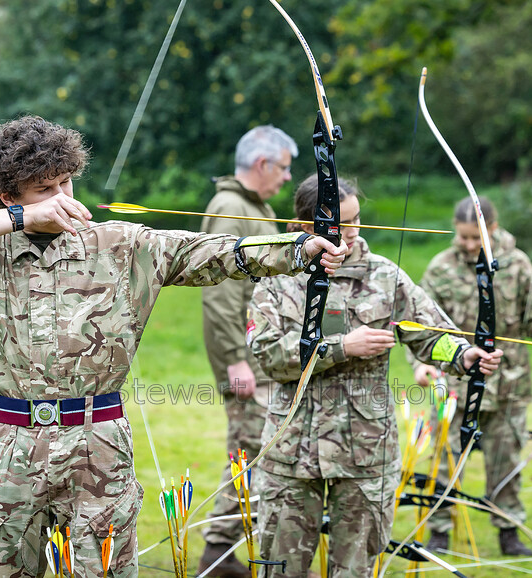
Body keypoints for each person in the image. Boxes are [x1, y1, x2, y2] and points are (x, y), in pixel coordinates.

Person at [0, 115, 346, 577]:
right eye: (44, 189)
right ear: (7, 196)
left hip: (98, 440)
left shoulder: (119, 243)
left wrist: (301, 249)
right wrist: (24, 218)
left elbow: (215, 251)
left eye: (66, 183)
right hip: (12, 445)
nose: (62, 198)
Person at [247, 176, 503, 578]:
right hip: (291, 452)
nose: (349, 234)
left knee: (356, 571)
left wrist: (465, 355)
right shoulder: (279, 278)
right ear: (303, 228)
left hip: (365, 454)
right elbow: (268, 355)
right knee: (280, 569)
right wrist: (342, 346)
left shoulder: (385, 276)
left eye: (356, 221)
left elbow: (429, 336)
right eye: (336, 225)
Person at [411, 196, 532, 556]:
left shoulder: (517, 264)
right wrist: (422, 364)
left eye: (475, 237)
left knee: (506, 463)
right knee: (443, 461)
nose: (467, 244)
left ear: (491, 229)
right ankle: (439, 533)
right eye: (462, 237)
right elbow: (419, 327)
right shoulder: (441, 267)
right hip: (455, 382)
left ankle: (509, 532)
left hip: (508, 383)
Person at [198, 125, 298, 577]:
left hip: (260, 354)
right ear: (262, 165)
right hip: (247, 360)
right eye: (284, 168)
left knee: (253, 448)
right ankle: (217, 554)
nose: (286, 178)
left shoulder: (255, 208)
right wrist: (236, 358)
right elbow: (219, 291)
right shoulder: (230, 208)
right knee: (250, 449)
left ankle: (219, 553)